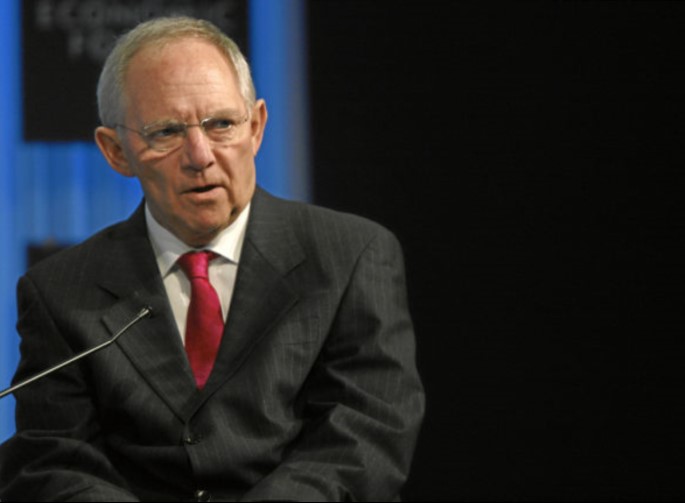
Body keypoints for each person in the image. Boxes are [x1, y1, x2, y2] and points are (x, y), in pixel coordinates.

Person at [0, 16, 424, 502]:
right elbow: (53, 458)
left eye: (221, 124)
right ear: (116, 151)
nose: (199, 155)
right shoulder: (61, 291)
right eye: (166, 132)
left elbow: (367, 433)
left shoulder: (351, 256)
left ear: (256, 127)